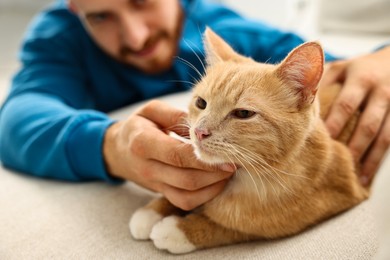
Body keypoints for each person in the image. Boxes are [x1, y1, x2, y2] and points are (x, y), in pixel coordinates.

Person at [0, 0, 389, 211]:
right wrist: (111, 145)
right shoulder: (58, 38)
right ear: (72, 6)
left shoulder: (223, 29)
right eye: (100, 15)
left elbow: (327, 69)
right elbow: (16, 119)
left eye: (141, 1)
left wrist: (383, 56)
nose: (135, 37)